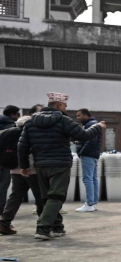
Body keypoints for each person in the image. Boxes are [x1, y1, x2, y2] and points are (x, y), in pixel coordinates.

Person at [17, 93, 105, 240]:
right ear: (58, 105)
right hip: (60, 164)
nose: (66, 108)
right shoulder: (63, 120)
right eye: (65, 105)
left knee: (48, 197)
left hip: (40, 165)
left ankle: (57, 227)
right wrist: (98, 127)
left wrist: (24, 166)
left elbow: (22, 147)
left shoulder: (31, 122)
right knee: (56, 196)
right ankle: (43, 229)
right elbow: (83, 135)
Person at [0, 115, 42, 235]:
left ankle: (4, 223)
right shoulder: (32, 134)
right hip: (31, 168)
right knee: (40, 196)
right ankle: (43, 225)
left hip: (14, 169)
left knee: (15, 196)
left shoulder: (9, 134)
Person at [74, 108, 102, 212]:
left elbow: (91, 141)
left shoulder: (90, 125)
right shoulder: (94, 124)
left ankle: (89, 203)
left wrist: (82, 152)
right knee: (93, 179)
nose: (78, 118)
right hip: (93, 155)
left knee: (88, 179)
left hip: (88, 155)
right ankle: (93, 203)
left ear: (86, 115)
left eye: (79, 115)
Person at [0, 105, 19, 216]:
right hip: (5, 160)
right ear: (13, 115)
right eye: (17, 114)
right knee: (3, 184)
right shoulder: (11, 127)